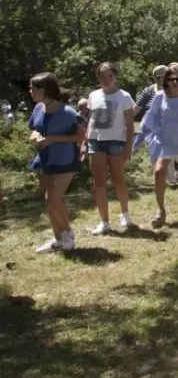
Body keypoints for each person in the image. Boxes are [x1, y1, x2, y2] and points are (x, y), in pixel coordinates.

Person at [139, 63, 178, 227]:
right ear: (166, 81)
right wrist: (144, 133)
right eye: (171, 79)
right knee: (159, 170)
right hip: (164, 138)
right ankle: (160, 210)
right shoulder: (160, 97)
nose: (174, 82)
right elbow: (152, 116)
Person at [28, 73, 84, 253]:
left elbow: (82, 136)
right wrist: (36, 136)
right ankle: (58, 239)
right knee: (52, 202)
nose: (30, 91)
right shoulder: (38, 108)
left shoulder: (68, 112)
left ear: (43, 90)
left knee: (52, 198)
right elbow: (35, 129)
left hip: (65, 160)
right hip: (44, 160)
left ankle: (67, 231)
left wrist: (54, 139)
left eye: (32, 88)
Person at [86, 62, 135, 235]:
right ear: (98, 77)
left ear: (115, 76)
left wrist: (129, 146)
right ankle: (104, 222)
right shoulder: (93, 95)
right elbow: (91, 119)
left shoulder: (124, 96)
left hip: (116, 142)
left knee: (118, 180)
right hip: (95, 141)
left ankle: (125, 213)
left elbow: (130, 124)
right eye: (102, 76)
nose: (106, 80)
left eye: (110, 76)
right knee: (98, 183)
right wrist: (85, 142)